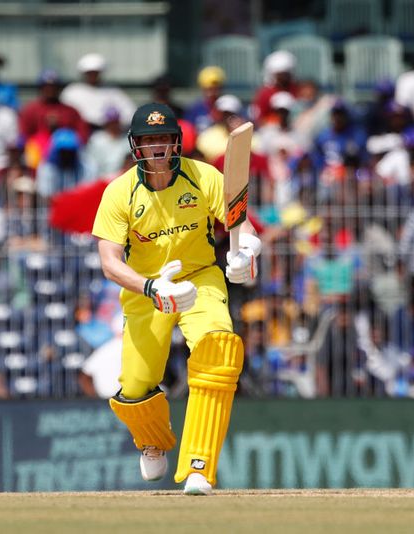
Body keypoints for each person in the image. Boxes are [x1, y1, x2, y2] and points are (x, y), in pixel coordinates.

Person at [92, 103, 261, 495]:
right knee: (135, 387)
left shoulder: (204, 177)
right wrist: (152, 288)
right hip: (145, 289)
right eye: (149, 141)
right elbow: (109, 263)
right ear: (137, 145)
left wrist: (247, 252)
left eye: (163, 139)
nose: (156, 148)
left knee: (218, 349)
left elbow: (242, 225)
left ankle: (199, 466)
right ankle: (152, 440)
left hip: (200, 277)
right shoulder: (119, 193)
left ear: (176, 143)